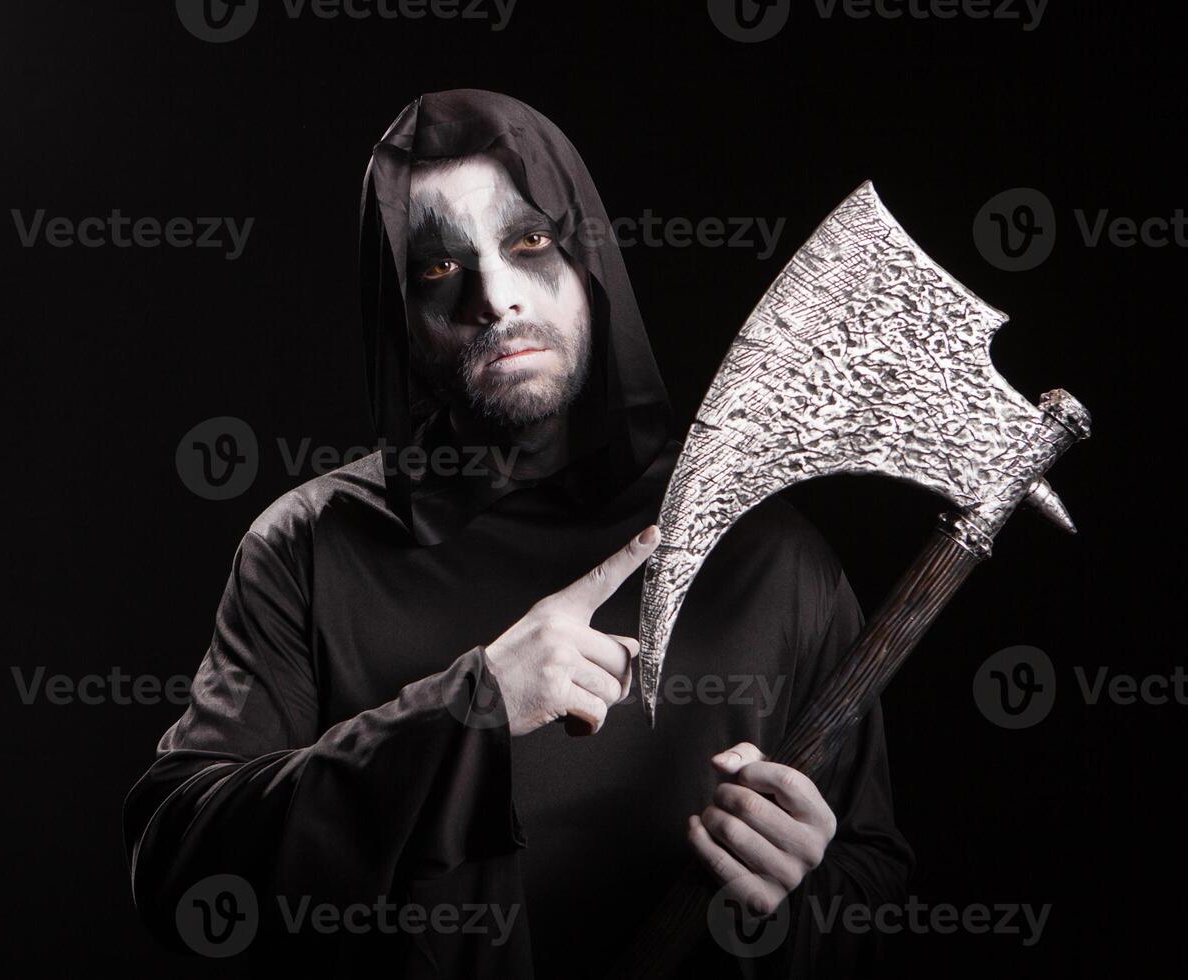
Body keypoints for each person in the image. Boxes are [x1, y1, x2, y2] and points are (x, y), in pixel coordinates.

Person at [123, 88, 913, 978]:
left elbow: (874, 887)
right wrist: (471, 708)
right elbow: (180, 867)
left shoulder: (768, 555)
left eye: (529, 242)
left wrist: (797, 896)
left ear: (589, 261)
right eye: (436, 269)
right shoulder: (309, 548)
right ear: (401, 316)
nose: (494, 298)